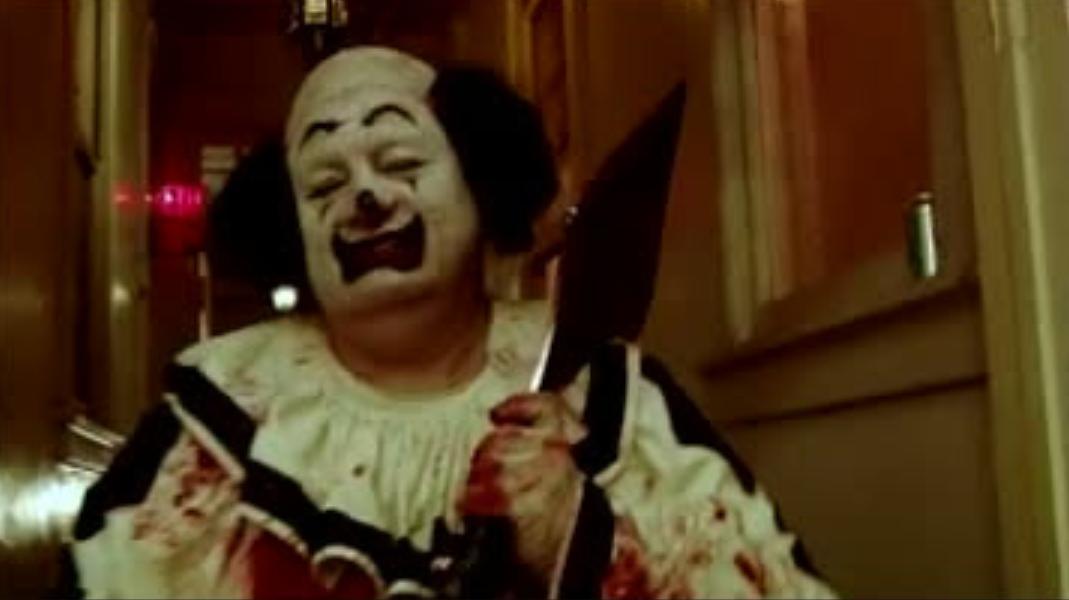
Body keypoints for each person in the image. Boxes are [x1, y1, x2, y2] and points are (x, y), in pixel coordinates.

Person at [68, 46, 836, 599]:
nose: (366, 198)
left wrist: (573, 531)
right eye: (325, 184)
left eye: (401, 164)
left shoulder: (614, 396)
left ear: (479, 182)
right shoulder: (220, 415)